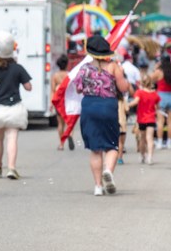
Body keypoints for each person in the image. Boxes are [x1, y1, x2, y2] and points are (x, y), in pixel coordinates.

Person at [77, 35, 130, 196]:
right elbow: (124, 88)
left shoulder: (84, 68)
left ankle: (98, 186)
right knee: (112, 145)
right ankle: (108, 170)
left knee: (95, 149)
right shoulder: (113, 66)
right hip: (108, 106)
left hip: (89, 107)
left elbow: (79, 89)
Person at [0, 32, 32, 180]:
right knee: (12, 138)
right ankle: (11, 168)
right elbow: (28, 87)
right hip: (14, 108)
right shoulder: (17, 68)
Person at [127, 75, 159, 165]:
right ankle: (150, 157)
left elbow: (136, 101)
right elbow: (157, 106)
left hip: (142, 119)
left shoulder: (139, 92)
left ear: (142, 83)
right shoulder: (155, 94)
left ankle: (142, 156)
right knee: (150, 138)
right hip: (151, 119)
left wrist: (128, 105)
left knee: (142, 138)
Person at [153, 55, 171, 150]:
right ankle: (169, 142)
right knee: (170, 121)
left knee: (160, 121)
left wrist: (155, 68)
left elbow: (150, 79)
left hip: (161, 97)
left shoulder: (159, 72)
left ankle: (160, 142)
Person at [51, 54, 73, 151]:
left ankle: (61, 144)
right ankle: (70, 135)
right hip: (68, 100)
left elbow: (53, 90)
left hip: (59, 101)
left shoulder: (55, 76)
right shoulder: (69, 75)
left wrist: (51, 104)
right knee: (69, 122)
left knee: (60, 123)